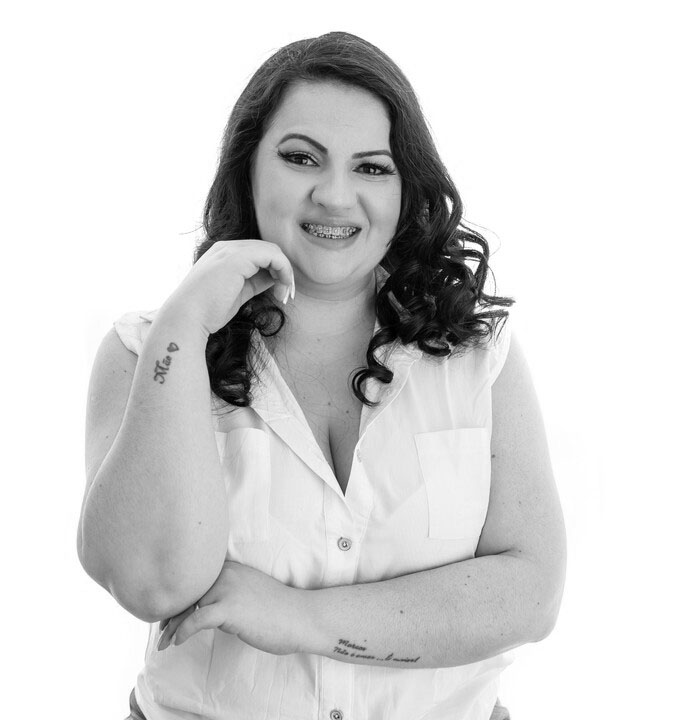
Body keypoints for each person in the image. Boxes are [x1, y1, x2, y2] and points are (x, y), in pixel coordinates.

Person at [78, 31, 566, 720]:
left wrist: (297, 617)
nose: (336, 196)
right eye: (301, 157)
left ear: (406, 190)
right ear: (247, 168)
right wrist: (184, 327)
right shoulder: (145, 352)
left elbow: (532, 594)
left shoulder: (478, 355)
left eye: (372, 167)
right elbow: (150, 583)